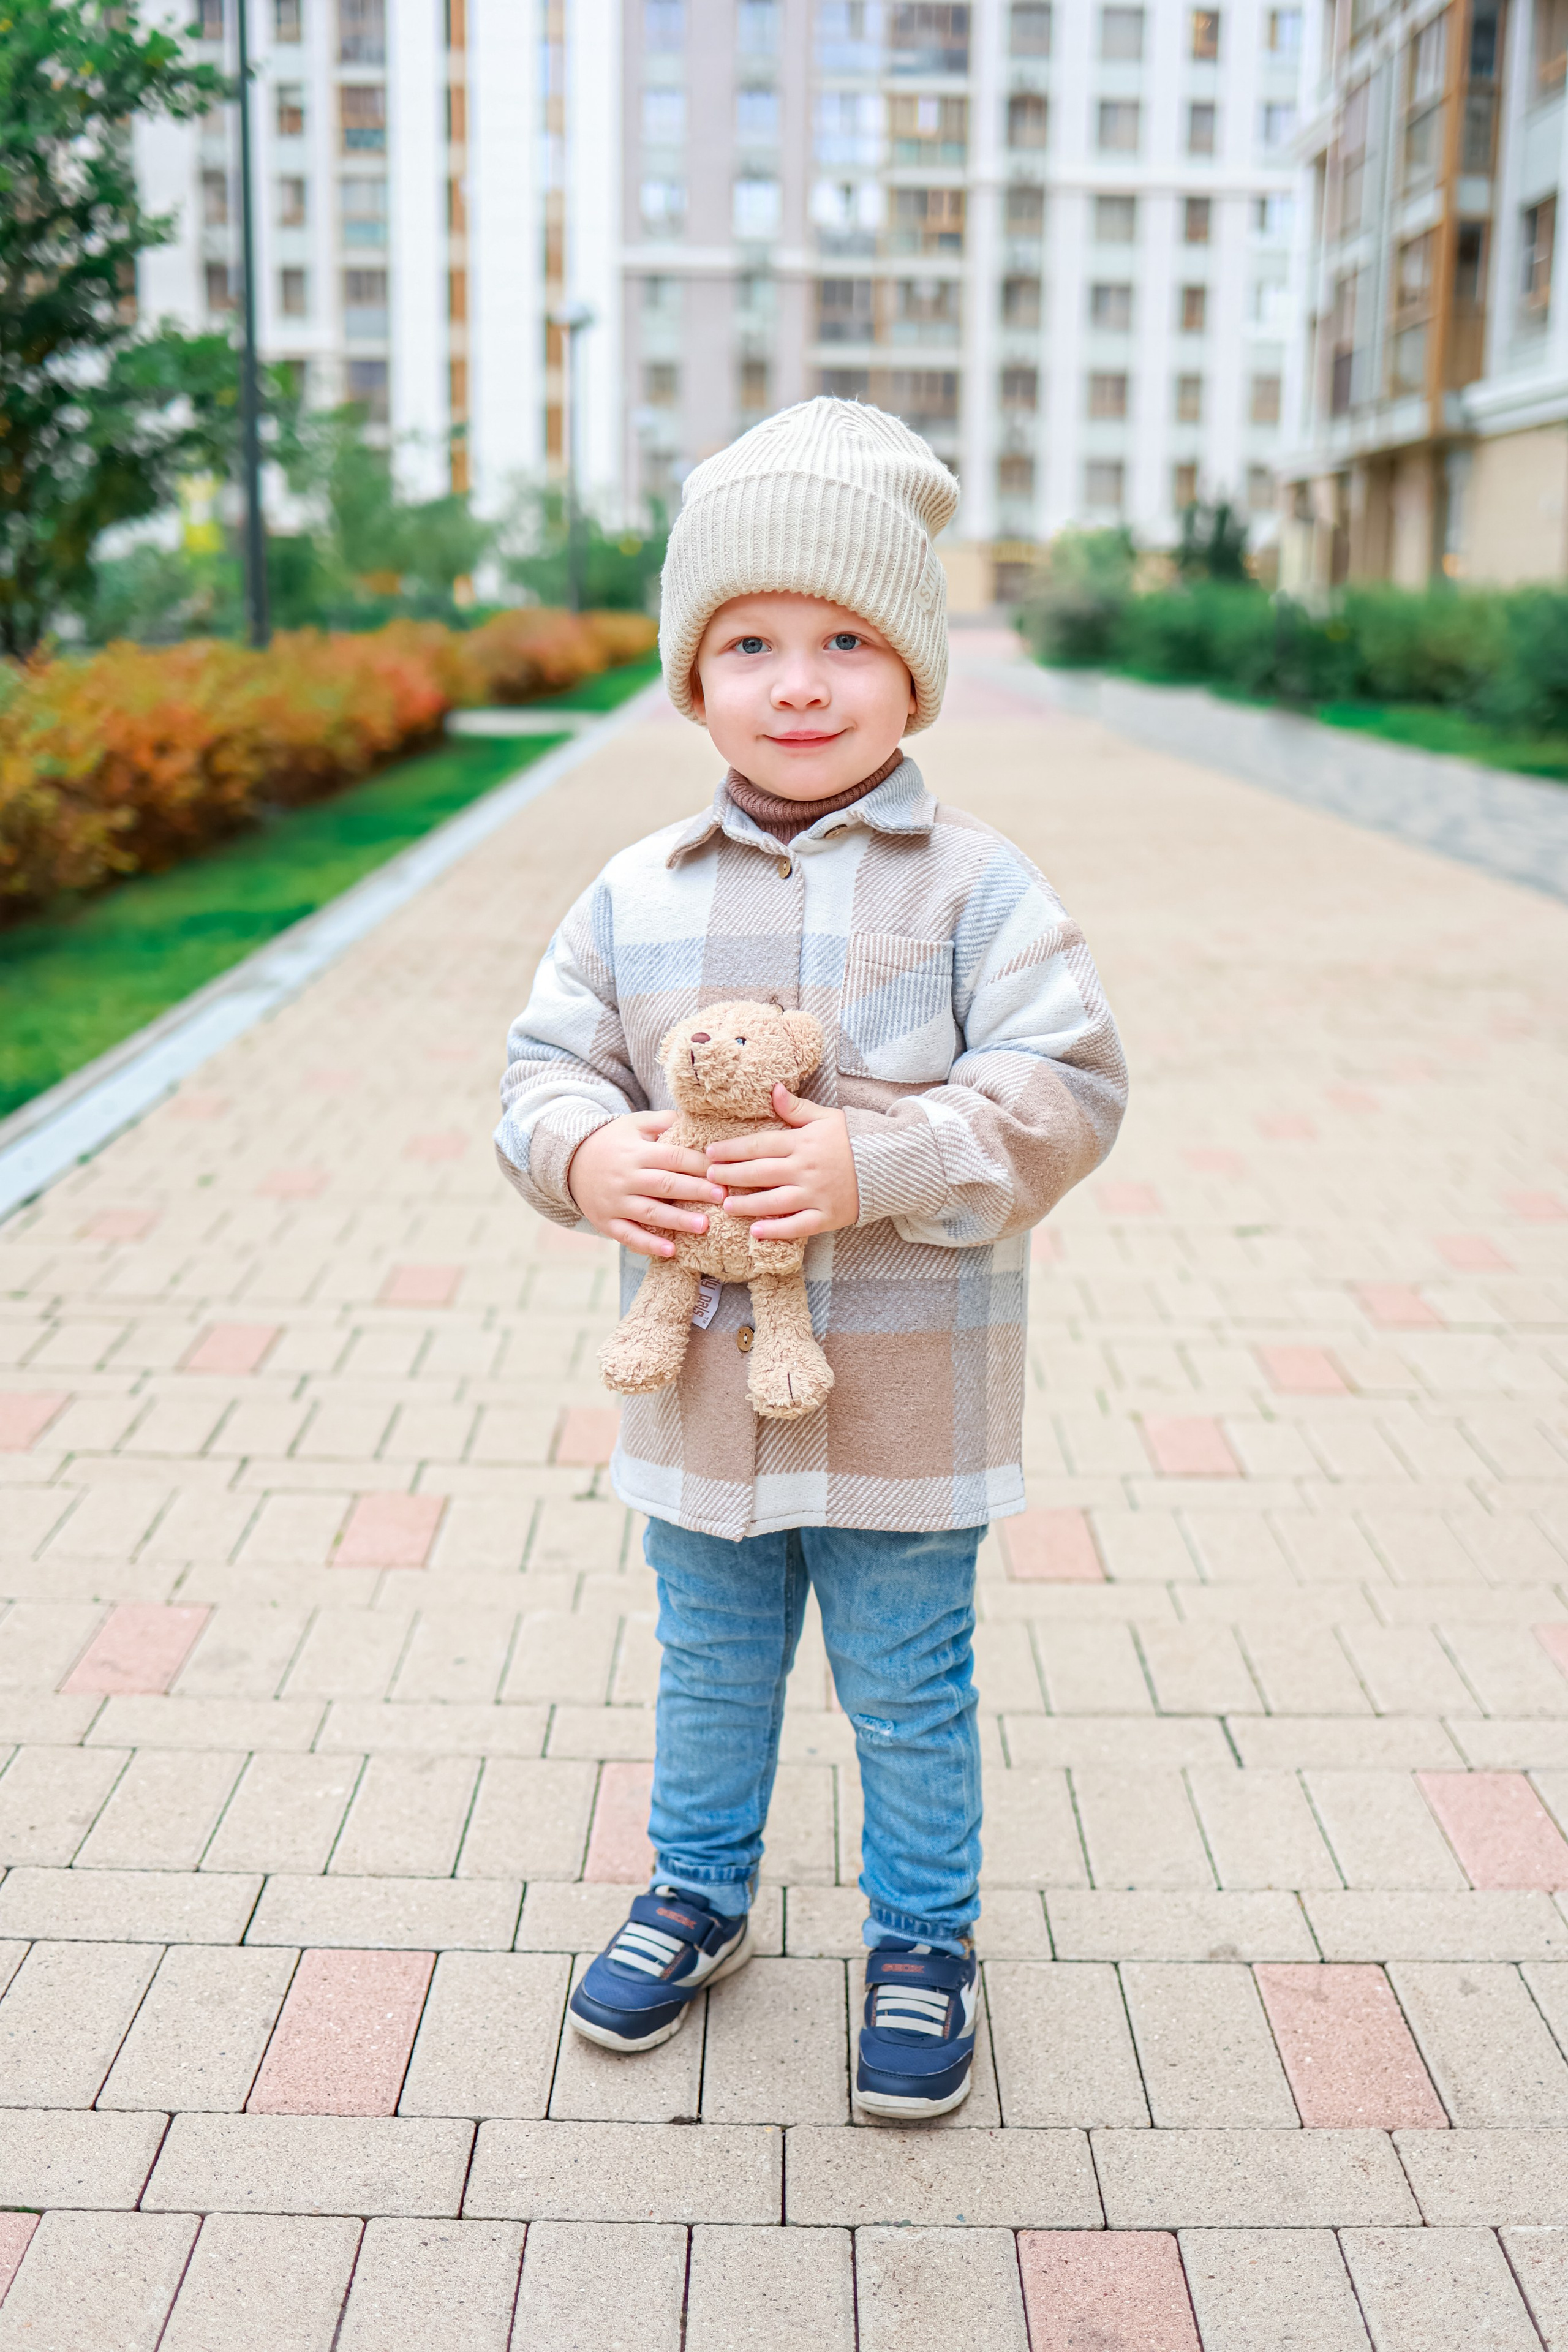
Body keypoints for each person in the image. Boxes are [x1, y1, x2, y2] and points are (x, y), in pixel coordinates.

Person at [496, 396, 1127, 2118]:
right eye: (752, 641)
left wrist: (886, 1152)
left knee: (909, 1681)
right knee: (706, 1659)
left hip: (910, 1393)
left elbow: (1069, 1088)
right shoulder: (634, 890)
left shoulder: (980, 888)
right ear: (692, 677)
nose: (799, 680)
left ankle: (924, 1936)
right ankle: (695, 1894)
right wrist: (591, 1150)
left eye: (848, 639)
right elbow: (542, 1070)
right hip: (702, 1390)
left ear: (914, 675)